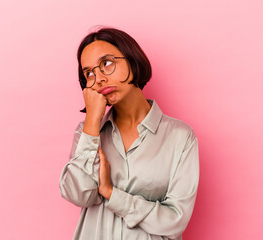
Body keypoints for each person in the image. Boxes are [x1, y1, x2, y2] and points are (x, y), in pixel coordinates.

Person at [59, 27, 199, 240]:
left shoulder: (179, 137)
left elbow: (175, 220)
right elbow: (78, 194)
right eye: (89, 73)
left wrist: (111, 194)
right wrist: (92, 122)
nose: (99, 78)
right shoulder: (87, 133)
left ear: (133, 61)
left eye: (106, 63)